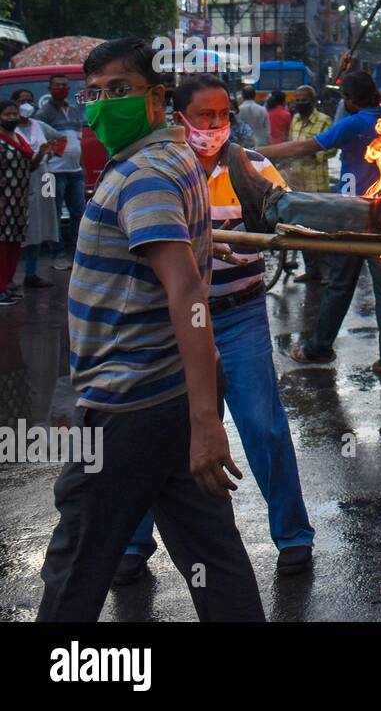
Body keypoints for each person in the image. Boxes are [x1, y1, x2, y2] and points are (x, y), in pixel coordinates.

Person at [37, 38, 263, 621]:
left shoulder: (146, 174)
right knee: (213, 559)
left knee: (75, 567)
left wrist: (207, 422)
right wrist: (197, 414)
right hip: (166, 398)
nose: (101, 104)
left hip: (127, 408)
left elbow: (186, 291)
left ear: (157, 98)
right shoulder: (165, 157)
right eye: (94, 93)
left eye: (119, 90)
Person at [115, 74, 315, 585]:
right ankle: (132, 545)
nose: (216, 125)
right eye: (204, 115)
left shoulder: (255, 167)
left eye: (223, 115)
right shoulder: (161, 172)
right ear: (176, 117)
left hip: (240, 314)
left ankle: (293, 537)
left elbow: (288, 220)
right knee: (158, 433)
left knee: (263, 426)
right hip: (174, 326)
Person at [257, 71, 381, 375]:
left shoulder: (352, 124)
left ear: (349, 100)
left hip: (351, 212)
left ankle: (318, 348)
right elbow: (352, 112)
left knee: (339, 283)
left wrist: (255, 154)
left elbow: (303, 147)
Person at [0, 100, 51, 306]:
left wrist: (41, 153)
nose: (12, 118)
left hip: (19, 200)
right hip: (3, 200)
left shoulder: (19, 138)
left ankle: (8, 283)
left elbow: (29, 167)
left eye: (14, 114)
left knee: (14, 243)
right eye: (8, 114)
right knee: (2, 245)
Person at [33, 71, 85, 270]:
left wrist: (83, 168)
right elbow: (41, 143)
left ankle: (79, 252)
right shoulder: (43, 113)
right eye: (57, 85)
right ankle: (58, 254)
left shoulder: (73, 110)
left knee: (79, 213)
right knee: (53, 214)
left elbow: (78, 142)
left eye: (65, 85)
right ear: (49, 89)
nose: (62, 88)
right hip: (52, 173)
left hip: (75, 171)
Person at [283, 84, 333, 282]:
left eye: (305, 100)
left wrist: (311, 151)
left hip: (317, 184)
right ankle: (312, 270)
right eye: (298, 100)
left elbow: (332, 149)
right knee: (302, 230)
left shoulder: (324, 121)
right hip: (297, 184)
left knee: (321, 232)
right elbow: (290, 145)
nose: (301, 103)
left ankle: (327, 272)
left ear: (313, 101)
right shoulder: (294, 119)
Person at [12, 90, 61, 290]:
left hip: (44, 178)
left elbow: (61, 139)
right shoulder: (10, 130)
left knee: (44, 222)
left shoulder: (39, 126)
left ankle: (31, 274)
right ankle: (10, 276)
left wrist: (51, 154)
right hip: (20, 183)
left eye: (29, 101)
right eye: (22, 101)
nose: (26, 105)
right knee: (20, 229)